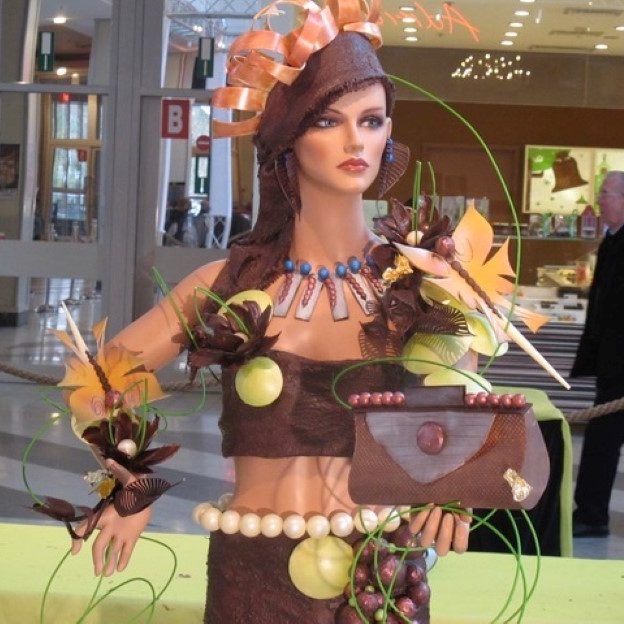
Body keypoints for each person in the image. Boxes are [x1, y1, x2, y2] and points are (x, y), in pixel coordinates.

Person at [59, 2, 482, 622]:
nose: (355, 141)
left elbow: (468, 400)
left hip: (378, 575)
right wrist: (132, 479)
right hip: (251, 574)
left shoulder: (423, 284)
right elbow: (95, 381)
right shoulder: (226, 285)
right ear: (288, 136)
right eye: (328, 120)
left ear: (389, 133)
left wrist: (452, 484)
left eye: (370, 120)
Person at [570, 170, 624, 538]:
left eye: (607, 193)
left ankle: (592, 514)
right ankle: (590, 511)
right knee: (601, 436)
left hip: (621, 362)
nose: (600, 200)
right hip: (612, 360)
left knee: (603, 436)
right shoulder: (611, 240)